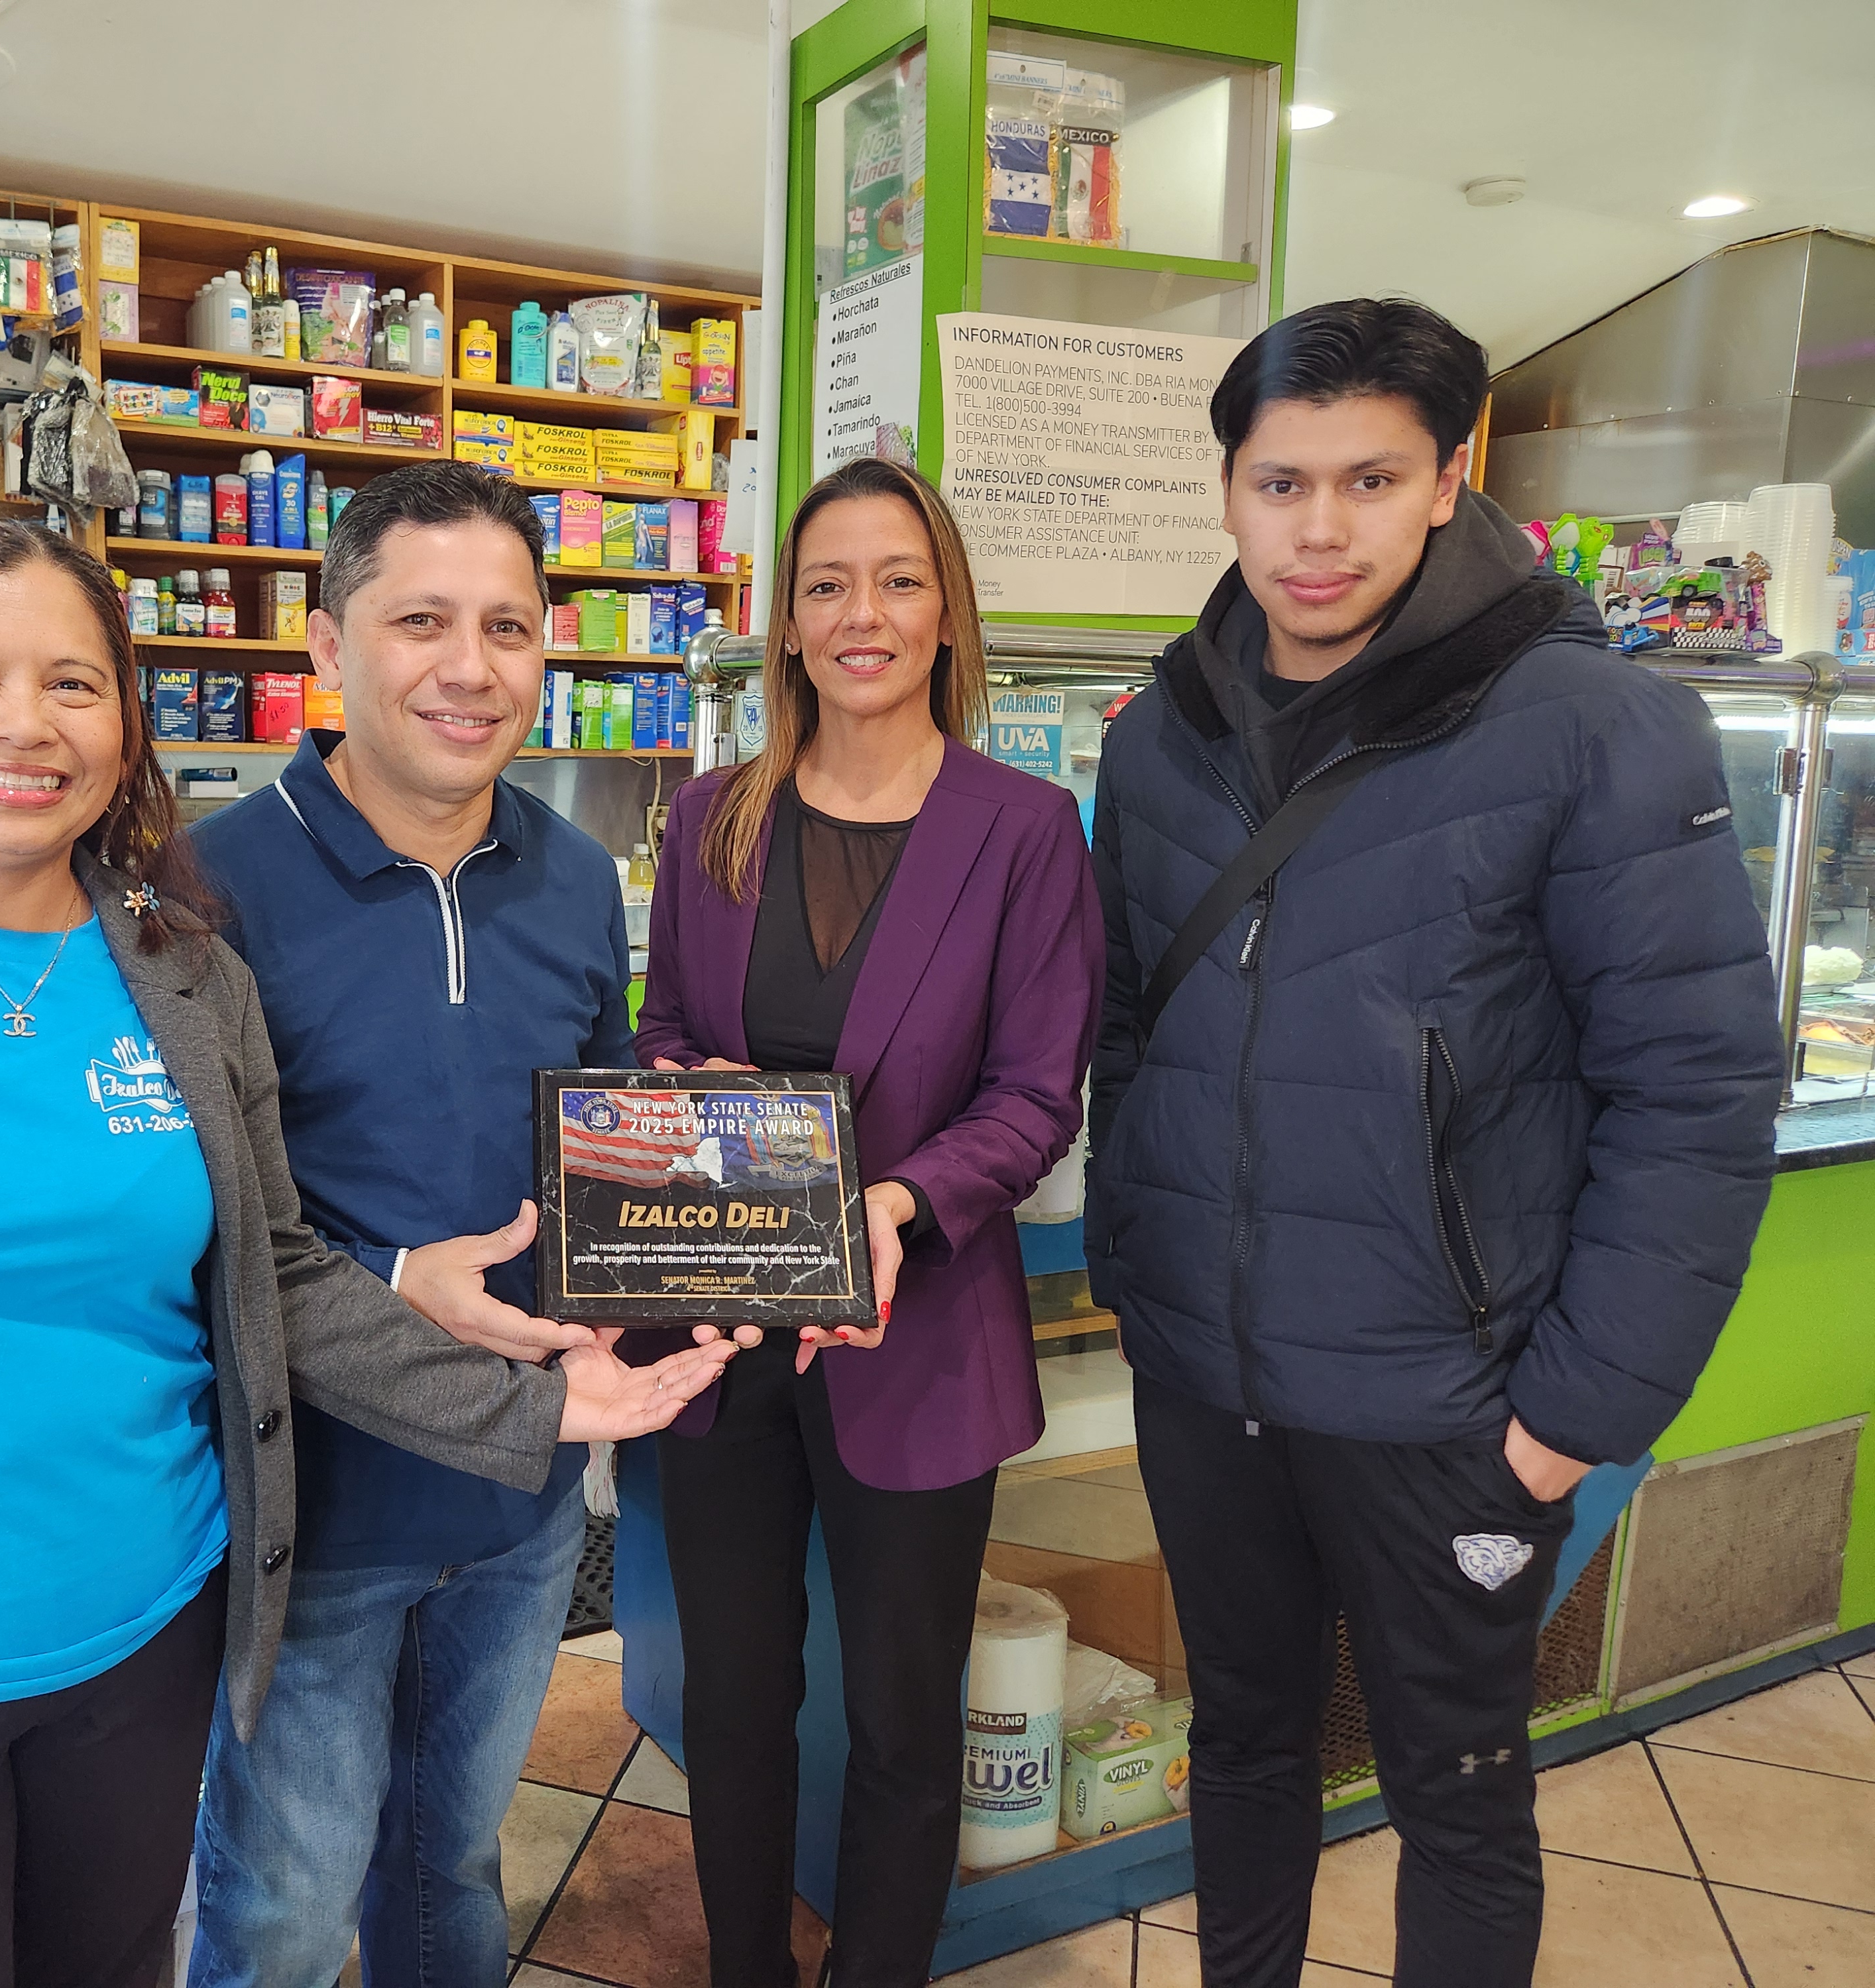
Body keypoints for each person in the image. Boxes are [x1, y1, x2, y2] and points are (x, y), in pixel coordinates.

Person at [0, 520, 737, 1988]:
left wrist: (552, 1407)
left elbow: (269, 1273)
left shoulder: (176, 966)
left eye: (75, 686)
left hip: (143, 1644)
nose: (24, 726)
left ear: (123, 726)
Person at [1085, 299, 1784, 1987]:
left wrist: (1568, 1424)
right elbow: (1128, 1026)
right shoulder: (1156, 735)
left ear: (1442, 479)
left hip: (1451, 1406)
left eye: (1365, 479)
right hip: (1205, 1379)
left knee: (1454, 1797)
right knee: (1241, 1746)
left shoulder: (1598, 727)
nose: (1315, 530)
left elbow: (1695, 1097)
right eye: (1276, 483)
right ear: (1228, 490)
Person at [636, 455, 1105, 1988]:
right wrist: (681, 1085)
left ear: (947, 612)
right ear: (782, 623)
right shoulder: (713, 817)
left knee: (904, 1713)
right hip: (719, 1328)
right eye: (826, 583)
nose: (862, 614)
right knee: (732, 1700)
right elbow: (663, 1034)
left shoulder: (1023, 830)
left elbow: (1037, 1097)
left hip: (916, 1337)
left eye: (897, 580)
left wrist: (900, 1200)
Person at [186, 461, 640, 1987]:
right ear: (323, 646)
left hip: (515, 1502)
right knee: (284, 1911)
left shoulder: (575, 879)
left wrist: (696, 1172)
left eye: (507, 627)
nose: (470, 668)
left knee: (447, 1868)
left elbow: (591, 1141)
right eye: (419, 621)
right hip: (309, 1519)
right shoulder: (202, 886)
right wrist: (390, 1277)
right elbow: (176, 1207)